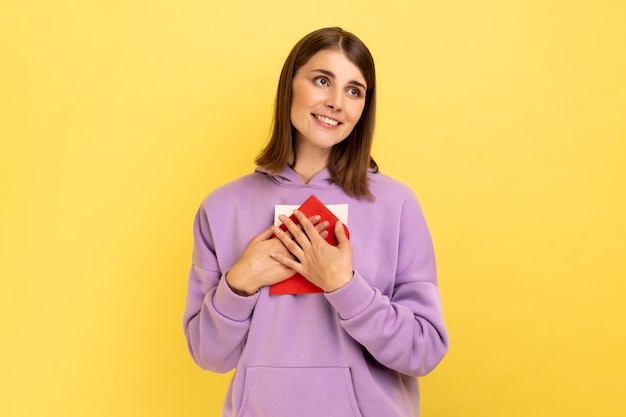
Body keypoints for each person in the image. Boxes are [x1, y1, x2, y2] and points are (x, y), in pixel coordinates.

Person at [183, 27, 449, 417]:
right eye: (322, 80)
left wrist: (345, 287)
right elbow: (209, 354)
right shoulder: (222, 207)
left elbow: (424, 351)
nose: (336, 103)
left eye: (354, 91)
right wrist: (239, 283)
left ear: (363, 108)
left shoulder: (396, 205)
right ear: (290, 85)